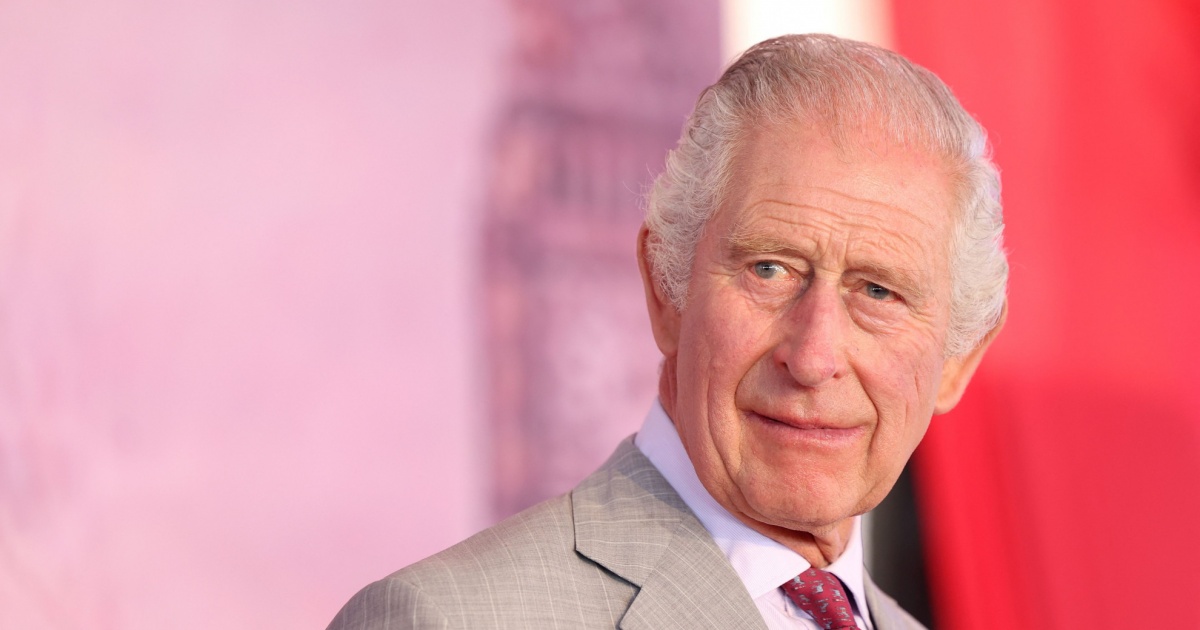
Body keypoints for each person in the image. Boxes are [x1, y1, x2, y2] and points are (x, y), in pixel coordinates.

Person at [328, 33, 1007, 630]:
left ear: (958, 361)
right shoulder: (443, 620)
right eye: (769, 269)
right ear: (665, 290)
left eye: (878, 291)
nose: (814, 355)